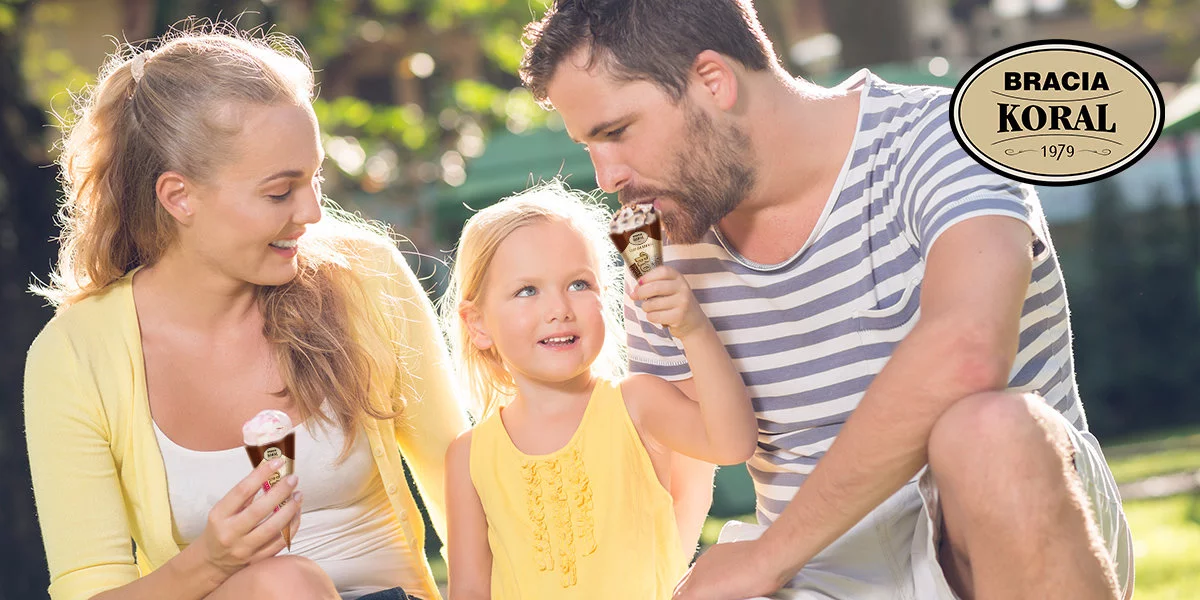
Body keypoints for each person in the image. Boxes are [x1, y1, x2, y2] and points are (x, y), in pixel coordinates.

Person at [519, 1, 1135, 599]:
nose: (607, 177)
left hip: (997, 527)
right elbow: (676, 464)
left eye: (617, 132)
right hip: (820, 573)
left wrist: (767, 555)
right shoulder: (663, 243)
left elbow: (967, 353)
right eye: (588, 146)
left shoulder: (942, 137)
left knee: (991, 431)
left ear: (713, 80)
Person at [23, 28, 467, 600]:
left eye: (315, 178)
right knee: (283, 584)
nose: (311, 212)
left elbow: (465, 489)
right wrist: (211, 562)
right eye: (280, 193)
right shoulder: (75, 356)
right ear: (178, 196)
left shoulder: (364, 279)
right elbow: (90, 589)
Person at [439, 182, 757, 599]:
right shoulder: (468, 456)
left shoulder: (638, 404)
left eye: (578, 284)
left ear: (605, 297)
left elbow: (733, 444)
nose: (559, 310)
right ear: (478, 324)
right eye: (527, 291)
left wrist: (693, 329)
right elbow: (469, 591)